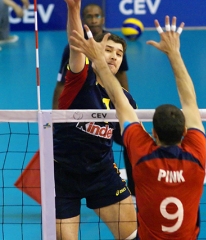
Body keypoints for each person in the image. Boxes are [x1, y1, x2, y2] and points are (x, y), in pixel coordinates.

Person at [70, 15, 206, 239]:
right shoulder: (197, 157)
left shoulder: (143, 156)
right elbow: (190, 102)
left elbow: (119, 100)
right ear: (185, 133)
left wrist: (100, 64)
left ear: (153, 133)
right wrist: (175, 54)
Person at [53, 0, 137, 239]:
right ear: (96, 50)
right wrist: (73, 9)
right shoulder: (80, 80)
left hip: (101, 174)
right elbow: (75, 46)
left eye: (119, 54)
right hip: (62, 175)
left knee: (133, 236)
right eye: (108, 50)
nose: (113, 56)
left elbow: (133, 139)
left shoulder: (126, 100)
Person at [52, 3, 129, 110]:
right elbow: (61, 83)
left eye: (97, 16)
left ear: (103, 19)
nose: (94, 20)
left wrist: (125, 100)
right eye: (89, 16)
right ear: (83, 20)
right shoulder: (73, 52)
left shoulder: (115, 43)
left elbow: (121, 74)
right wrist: (55, 116)